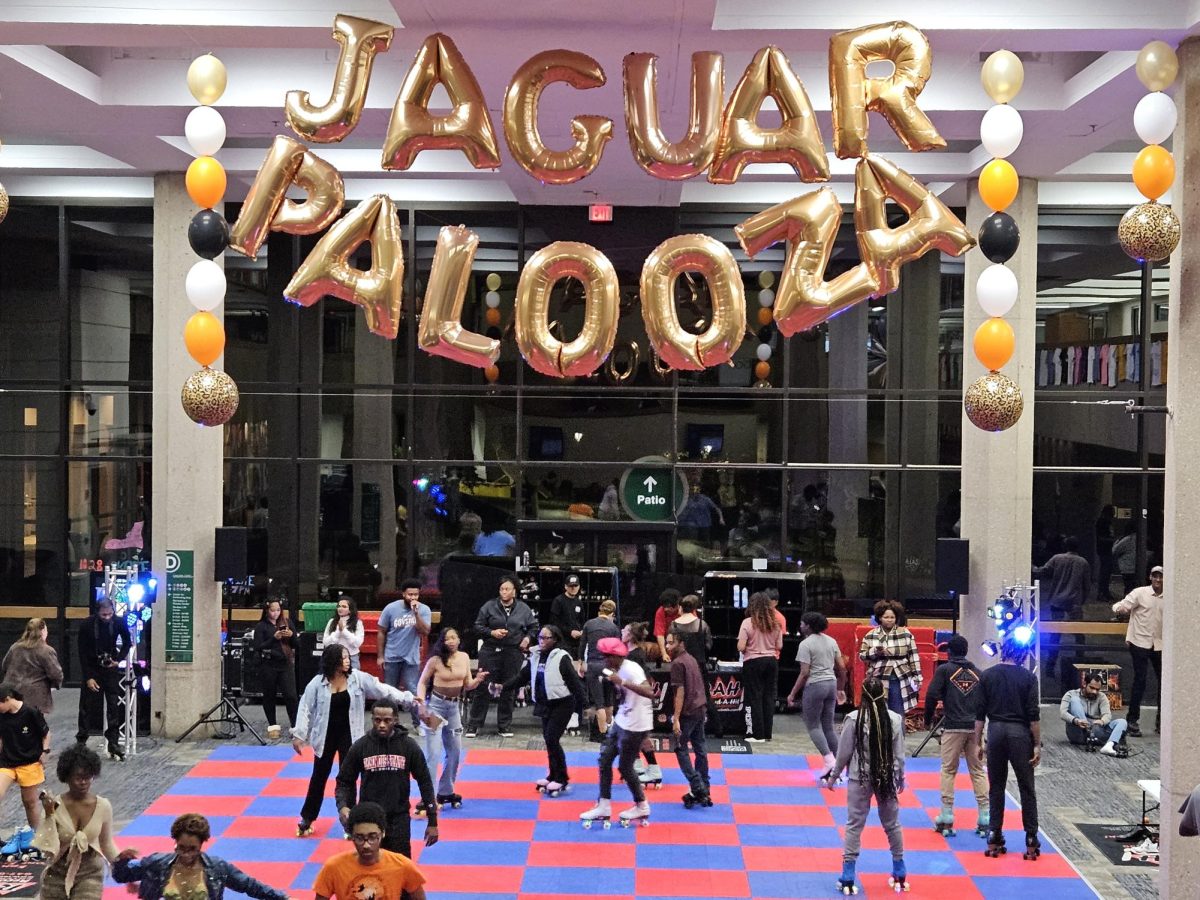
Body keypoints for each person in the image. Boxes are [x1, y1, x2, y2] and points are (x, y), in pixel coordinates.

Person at [292, 644, 419, 838]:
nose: (347, 660)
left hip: (350, 736)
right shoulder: (318, 683)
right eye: (343, 657)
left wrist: (406, 698)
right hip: (325, 737)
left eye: (347, 657)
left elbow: (381, 689)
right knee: (318, 777)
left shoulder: (357, 678)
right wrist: (299, 734)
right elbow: (305, 708)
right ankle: (307, 818)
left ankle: (349, 822)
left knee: (348, 780)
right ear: (333, 660)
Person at [822, 679, 908, 895]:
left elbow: (844, 753)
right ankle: (899, 867)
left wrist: (833, 776)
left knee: (854, 824)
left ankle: (848, 873)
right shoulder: (895, 720)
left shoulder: (854, 719)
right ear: (883, 694)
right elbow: (899, 754)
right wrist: (900, 777)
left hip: (858, 777)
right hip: (886, 778)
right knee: (892, 824)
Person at [335, 698, 438, 860]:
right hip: (369, 820)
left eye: (387, 720)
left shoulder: (408, 746)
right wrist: (343, 806)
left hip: (399, 817)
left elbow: (425, 782)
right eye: (377, 720)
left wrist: (433, 821)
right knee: (370, 869)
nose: (382, 724)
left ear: (395, 720)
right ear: (372, 720)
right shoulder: (361, 746)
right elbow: (344, 781)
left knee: (401, 867)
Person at [34, 743, 135, 900]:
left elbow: (106, 844)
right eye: (78, 778)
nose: (83, 782)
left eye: (88, 777)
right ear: (67, 777)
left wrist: (122, 863)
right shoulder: (54, 805)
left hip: (90, 873)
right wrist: (48, 815)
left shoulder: (103, 806)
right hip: (56, 873)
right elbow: (46, 847)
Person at [973, 638, 1042, 860]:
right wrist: (1036, 745)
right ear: (1023, 655)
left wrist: (977, 743)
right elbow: (1034, 716)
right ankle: (1031, 838)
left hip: (995, 732)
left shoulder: (987, 675)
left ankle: (994, 834)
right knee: (1026, 787)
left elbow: (979, 714)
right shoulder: (1029, 678)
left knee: (996, 786)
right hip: (1019, 733)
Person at [112, 813, 287, 900]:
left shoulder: (218, 867)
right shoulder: (156, 863)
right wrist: (122, 859)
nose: (186, 854)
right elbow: (121, 876)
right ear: (174, 841)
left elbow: (250, 886)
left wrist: (283, 898)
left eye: (192, 849)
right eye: (181, 848)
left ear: (202, 845)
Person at [579, 638, 655, 828]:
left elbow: (649, 692)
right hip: (622, 720)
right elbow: (597, 669)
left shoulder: (631, 670)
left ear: (615, 656)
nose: (604, 660)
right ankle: (604, 804)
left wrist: (623, 682)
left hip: (635, 725)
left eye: (607, 657)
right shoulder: (610, 668)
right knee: (604, 759)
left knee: (625, 767)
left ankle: (642, 804)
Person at [503, 625, 586, 797]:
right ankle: (552, 775)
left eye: (546, 638)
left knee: (552, 738)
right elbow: (522, 678)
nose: (541, 641)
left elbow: (575, 683)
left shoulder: (562, 657)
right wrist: (502, 688)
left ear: (555, 639)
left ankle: (562, 777)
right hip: (544, 704)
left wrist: (585, 706)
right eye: (540, 637)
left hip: (562, 703)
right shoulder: (535, 657)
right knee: (549, 741)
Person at [923, 635, 989, 836]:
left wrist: (928, 719)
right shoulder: (978, 673)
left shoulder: (944, 670)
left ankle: (947, 814)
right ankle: (985, 815)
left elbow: (932, 695)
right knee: (977, 771)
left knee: (948, 770)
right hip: (975, 727)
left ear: (949, 652)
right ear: (967, 651)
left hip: (953, 727)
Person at [415, 628, 487, 808]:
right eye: (447, 639)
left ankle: (446, 790)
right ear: (442, 642)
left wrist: (477, 680)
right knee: (433, 753)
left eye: (454, 637)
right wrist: (421, 704)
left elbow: (468, 685)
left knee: (455, 751)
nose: (452, 641)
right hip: (435, 708)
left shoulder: (463, 657)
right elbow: (422, 683)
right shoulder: (435, 660)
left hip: (454, 708)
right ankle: (428, 795)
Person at [466, 575, 538, 738]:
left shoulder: (523, 609)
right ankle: (474, 724)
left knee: (508, 688)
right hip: (491, 649)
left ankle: (504, 725)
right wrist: (492, 632)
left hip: (513, 650)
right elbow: (477, 626)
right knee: (483, 685)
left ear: (514, 591)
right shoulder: (489, 606)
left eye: (507, 589)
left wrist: (527, 639)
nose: (504, 592)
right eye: (502, 589)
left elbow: (533, 627)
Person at [314, 802, 426, 900]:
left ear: (383, 833)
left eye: (372, 837)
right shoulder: (333, 867)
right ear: (351, 836)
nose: (366, 845)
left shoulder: (403, 865)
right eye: (359, 838)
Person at [786, 611, 847, 770]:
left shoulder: (805, 644)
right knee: (828, 727)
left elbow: (805, 673)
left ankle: (829, 761)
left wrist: (792, 693)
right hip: (831, 684)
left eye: (802, 624)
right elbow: (841, 667)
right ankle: (843, 762)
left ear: (808, 626)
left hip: (816, 685)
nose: (800, 626)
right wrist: (841, 687)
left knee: (813, 726)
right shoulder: (831, 641)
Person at [1111, 565, 1164, 736]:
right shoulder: (1140, 593)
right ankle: (1132, 720)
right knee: (1140, 680)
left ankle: (1161, 721)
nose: (1158, 580)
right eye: (1155, 576)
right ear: (1150, 577)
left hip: (1160, 643)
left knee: (1164, 683)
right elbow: (1121, 605)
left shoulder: (1170, 597)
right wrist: (1120, 609)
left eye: (1161, 577)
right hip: (1139, 641)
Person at [76, 597, 130, 758]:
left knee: (113, 704)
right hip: (92, 666)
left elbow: (127, 642)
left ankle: (113, 740)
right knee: (86, 705)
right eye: (103, 615)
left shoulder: (118, 622)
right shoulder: (87, 625)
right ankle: (81, 740)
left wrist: (118, 660)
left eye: (109, 614)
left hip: (109, 668)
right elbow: (82, 652)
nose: (107, 617)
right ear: (97, 612)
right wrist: (88, 677)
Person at [0, 683, 48, 855]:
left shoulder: (31, 713)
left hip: (29, 762)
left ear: (7, 700)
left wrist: (45, 751)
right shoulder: (2, 716)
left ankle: (35, 837)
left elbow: (45, 733)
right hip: (6, 762)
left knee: (30, 802)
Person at [664, 631, 710, 808]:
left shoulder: (677, 663)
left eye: (671, 643)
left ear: (681, 643)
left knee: (680, 748)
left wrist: (676, 718)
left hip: (688, 712)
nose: (667, 647)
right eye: (667, 643)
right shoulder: (690, 659)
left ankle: (697, 786)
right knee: (700, 749)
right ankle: (705, 787)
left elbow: (680, 693)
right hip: (700, 709)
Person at [858, 599, 922, 720]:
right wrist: (875, 652)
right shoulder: (870, 635)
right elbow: (862, 656)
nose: (889, 620)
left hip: (900, 679)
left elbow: (914, 657)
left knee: (898, 715)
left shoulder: (906, 634)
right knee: (879, 714)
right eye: (886, 617)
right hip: (877, 680)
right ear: (879, 618)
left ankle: (898, 738)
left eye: (892, 617)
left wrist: (918, 678)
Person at [738, 592, 783, 743]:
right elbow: (779, 646)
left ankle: (757, 735)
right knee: (769, 697)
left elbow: (741, 646)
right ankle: (767, 733)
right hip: (771, 661)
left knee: (754, 697)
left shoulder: (747, 623)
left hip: (753, 662)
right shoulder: (776, 624)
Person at [251, 598, 298, 741]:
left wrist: (292, 636)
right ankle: (272, 725)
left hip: (285, 663)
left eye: (278, 610)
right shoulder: (261, 626)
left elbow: (296, 644)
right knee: (269, 695)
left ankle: (295, 726)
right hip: (268, 664)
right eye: (272, 610)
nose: (276, 613)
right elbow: (258, 646)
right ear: (266, 611)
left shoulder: (287, 623)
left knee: (291, 695)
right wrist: (274, 638)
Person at [377, 579, 432, 699]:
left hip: (411, 658)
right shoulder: (390, 608)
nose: (413, 597)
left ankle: (417, 718)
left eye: (416, 595)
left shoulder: (424, 610)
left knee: (413, 690)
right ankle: (391, 717)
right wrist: (380, 656)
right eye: (410, 594)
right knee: (390, 691)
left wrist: (416, 614)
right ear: (403, 594)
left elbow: (425, 632)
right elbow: (381, 631)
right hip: (392, 657)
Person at [622, 622, 662, 785]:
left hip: (638, 700)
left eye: (624, 630)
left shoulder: (635, 655)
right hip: (632, 699)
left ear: (631, 635)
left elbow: (641, 680)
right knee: (632, 735)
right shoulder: (630, 653)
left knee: (640, 736)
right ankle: (637, 764)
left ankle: (653, 768)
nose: (621, 631)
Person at [577, 599, 620, 736]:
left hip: (592, 666)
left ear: (599, 611)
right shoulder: (613, 628)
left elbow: (582, 646)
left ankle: (602, 734)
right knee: (609, 697)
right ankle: (609, 725)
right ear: (612, 614)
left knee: (598, 703)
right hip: (607, 667)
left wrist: (580, 663)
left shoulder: (589, 624)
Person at [549, 574, 586, 734]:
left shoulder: (579, 602)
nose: (573, 588)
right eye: (570, 586)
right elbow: (554, 622)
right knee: (564, 681)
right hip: (563, 644)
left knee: (576, 681)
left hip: (577, 645)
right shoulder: (558, 601)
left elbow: (582, 620)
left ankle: (575, 717)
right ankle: (560, 718)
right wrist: (568, 631)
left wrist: (581, 632)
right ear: (565, 586)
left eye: (576, 586)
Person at [4, 617, 63, 714]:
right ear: (43, 631)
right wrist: (56, 685)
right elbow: (56, 674)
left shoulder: (15, 647)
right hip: (35, 697)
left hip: (12, 693)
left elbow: (4, 666)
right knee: (35, 726)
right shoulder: (46, 650)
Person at [1060, 673, 1129, 755]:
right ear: (1084, 684)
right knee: (1074, 700)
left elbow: (1107, 715)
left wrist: (1102, 721)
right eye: (1092, 688)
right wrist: (1076, 721)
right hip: (1078, 731)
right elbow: (1063, 713)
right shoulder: (1071, 694)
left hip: (1096, 730)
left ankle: (1109, 746)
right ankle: (1088, 732)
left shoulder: (1102, 697)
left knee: (1122, 722)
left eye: (1097, 689)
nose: (1094, 692)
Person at [1032, 535, 1092, 620]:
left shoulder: (1057, 558)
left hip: (1057, 599)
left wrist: (1031, 565)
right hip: (1074, 601)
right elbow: (1087, 585)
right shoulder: (1083, 562)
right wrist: (1082, 600)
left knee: (1056, 629)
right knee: (1076, 629)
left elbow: (1041, 571)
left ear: (1065, 546)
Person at [322, 596, 365, 670]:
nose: (340, 608)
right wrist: (338, 632)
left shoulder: (357, 623)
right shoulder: (332, 622)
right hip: (334, 658)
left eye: (344, 606)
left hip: (352, 658)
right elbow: (326, 642)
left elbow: (357, 643)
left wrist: (344, 631)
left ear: (350, 610)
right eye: (339, 606)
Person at [652, 589, 681, 660]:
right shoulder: (660, 611)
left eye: (669, 607)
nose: (666, 609)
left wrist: (682, 615)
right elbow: (660, 634)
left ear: (677, 604)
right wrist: (664, 654)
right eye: (664, 606)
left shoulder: (686, 610)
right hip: (667, 644)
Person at [1112, 529, 1138, 596]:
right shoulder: (1139, 537)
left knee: (1128, 587)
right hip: (1135, 566)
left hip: (1127, 566)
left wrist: (1117, 541)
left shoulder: (1128, 539)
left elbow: (1115, 550)